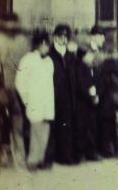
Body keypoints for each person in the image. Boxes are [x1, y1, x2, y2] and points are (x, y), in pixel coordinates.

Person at [16, 31, 54, 171]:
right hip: (34, 102)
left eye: (47, 44)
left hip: (47, 103)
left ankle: (40, 159)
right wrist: (27, 99)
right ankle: (32, 160)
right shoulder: (28, 59)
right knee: (35, 132)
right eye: (42, 44)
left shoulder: (49, 61)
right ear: (37, 45)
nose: (45, 47)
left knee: (45, 132)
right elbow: (20, 82)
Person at [49, 24, 77, 165]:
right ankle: (54, 156)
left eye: (66, 37)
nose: (64, 39)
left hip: (69, 96)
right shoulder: (50, 54)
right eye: (61, 36)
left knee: (67, 127)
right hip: (54, 95)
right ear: (55, 37)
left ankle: (66, 156)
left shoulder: (71, 55)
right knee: (54, 126)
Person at [73, 42, 100, 161]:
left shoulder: (88, 67)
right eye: (90, 54)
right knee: (82, 129)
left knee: (90, 128)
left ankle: (89, 152)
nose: (92, 57)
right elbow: (82, 86)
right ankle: (81, 153)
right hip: (82, 103)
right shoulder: (80, 68)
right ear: (83, 55)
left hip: (88, 103)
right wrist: (92, 97)